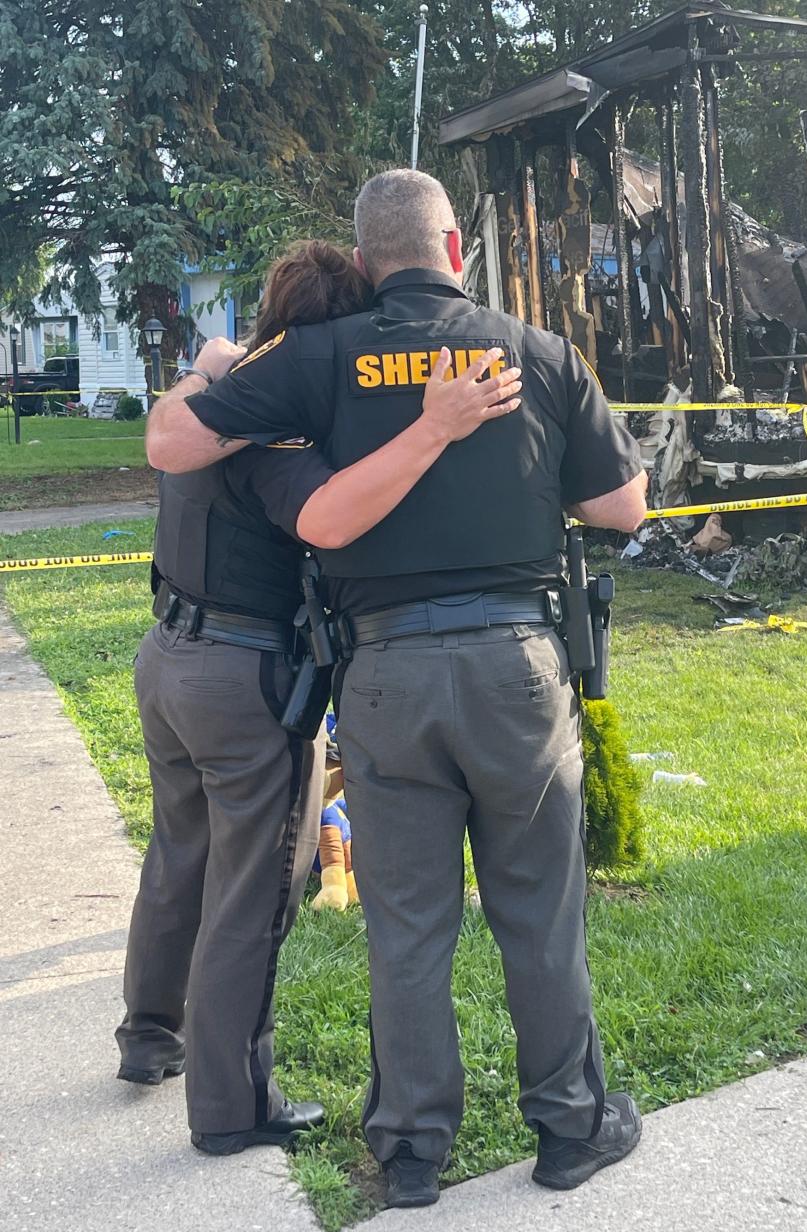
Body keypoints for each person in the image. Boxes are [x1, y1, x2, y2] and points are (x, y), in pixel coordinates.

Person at [144, 169, 649, 1206]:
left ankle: (413, 1147)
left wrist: (225, 367)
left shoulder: (323, 356)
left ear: (369, 263)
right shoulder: (537, 351)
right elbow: (623, 507)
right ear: (457, 249)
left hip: (381, 678)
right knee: (538, 914)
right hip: (517, 669)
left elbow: (176, 441)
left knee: (407, 925)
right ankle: (569, 1126)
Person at [117, 238, 522, 1158]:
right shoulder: (276, 436)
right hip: (243, 677)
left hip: (167, 656)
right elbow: (329, 515)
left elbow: (178, 419)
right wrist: (430, 432)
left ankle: (149, 1035)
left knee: (180, 851)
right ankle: (233, 1105)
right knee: (256, 890)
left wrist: (210, 360)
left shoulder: (211, 399)